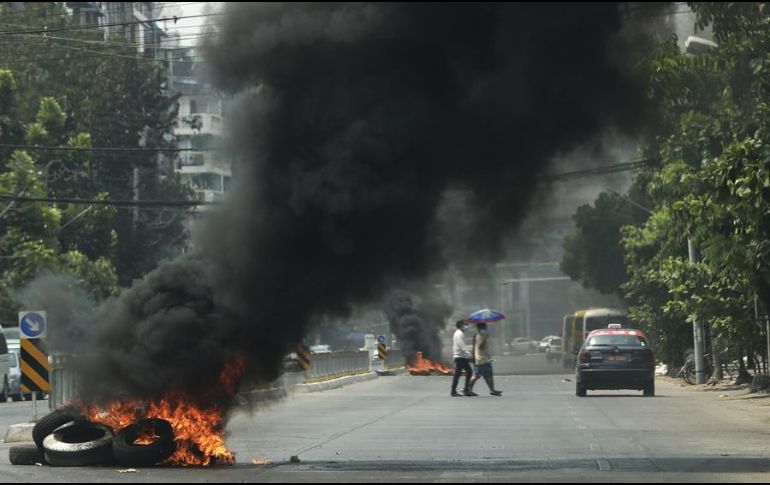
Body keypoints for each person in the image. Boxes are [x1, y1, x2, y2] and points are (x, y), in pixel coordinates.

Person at [469, 322, 503, 396]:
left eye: (485, 328)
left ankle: (492, 390)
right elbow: (480, 347)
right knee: (476, 375)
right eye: (483, 328)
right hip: (480, 359)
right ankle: (468, 389)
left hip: (486, 359)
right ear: (479, 329)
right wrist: (485, 338)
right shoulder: (479, 336)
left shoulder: (481, 335)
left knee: (489, 375)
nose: (485, 329)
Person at [451, 319, 473, 397]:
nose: (466, 326)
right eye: (465, 324)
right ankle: (454, 391)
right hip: (460, 357)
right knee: (459, 374)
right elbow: (462, 346)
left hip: (461, 356)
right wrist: (468, 354)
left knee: (468, 372)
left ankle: (465, 390)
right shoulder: (459, 334)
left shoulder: (460, 333)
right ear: (461, 325)